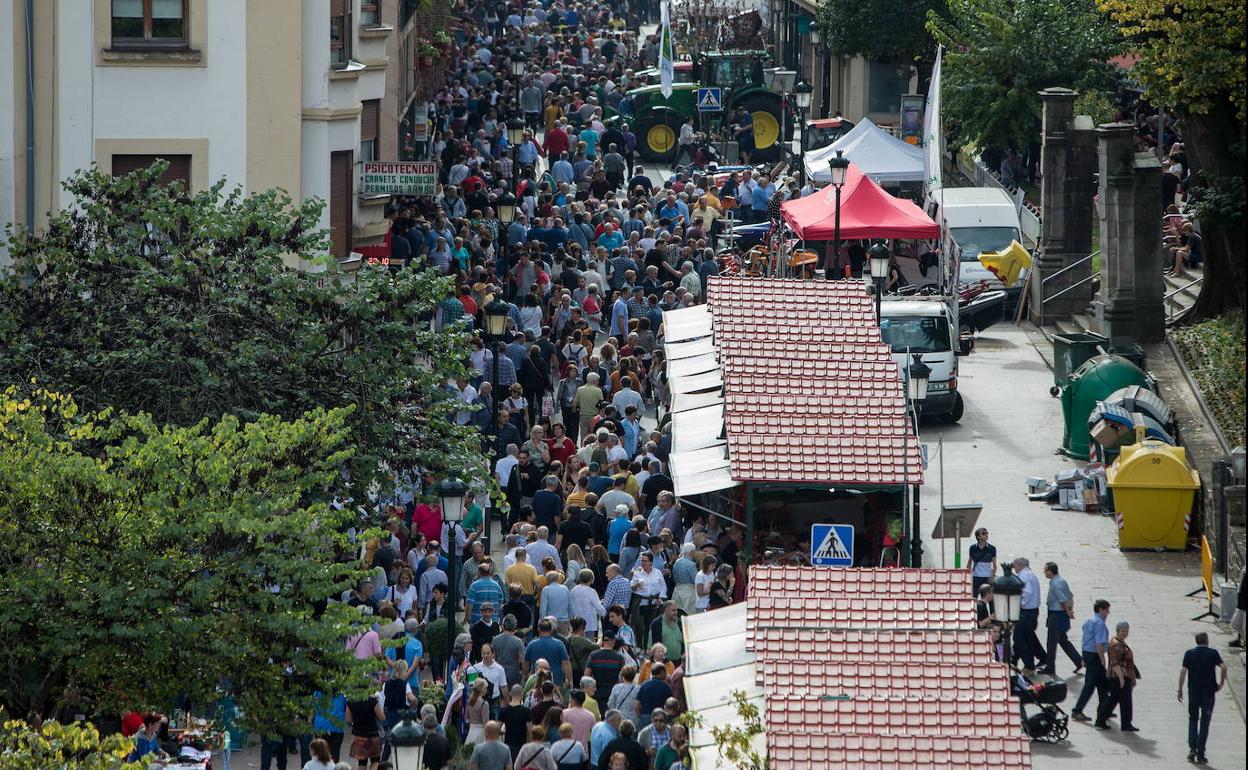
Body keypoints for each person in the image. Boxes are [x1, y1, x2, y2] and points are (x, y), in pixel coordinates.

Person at [1179, 631, 1229, 764]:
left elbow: (1183, 671)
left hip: (1194, 691)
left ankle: (1192, 749)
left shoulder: (1189, 653)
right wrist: (1221, 683)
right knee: (1205, 722)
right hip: (1208, 692)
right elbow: (1223, 667)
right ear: (1206, 641)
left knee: (1193, 719)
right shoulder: (1213, 653)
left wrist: (1180, 689)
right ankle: (1201, 751)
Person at [1094, 621, 1139, 731]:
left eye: (1126, 631)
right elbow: (1114, 663)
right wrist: (1122, 678)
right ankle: (1126, 724)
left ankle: (1101, 720)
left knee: (1113, 700)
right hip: (1118, 677)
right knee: (1125, 701)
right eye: (1123, 631)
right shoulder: (1116, 644)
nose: (1125, 633)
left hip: (1121, 676)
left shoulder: (1120, 642)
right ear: (1118, 631)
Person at [1071, 599, 1111, 721]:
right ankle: (1077, 710)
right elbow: (1098, 644)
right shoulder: (1100, 623)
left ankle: (1105, 708)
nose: (1108, 613)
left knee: (1102, 683)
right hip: (1095, 656)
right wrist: (1103, 660)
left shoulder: (1089, 621)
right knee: (1090, 685)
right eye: (1106, 610)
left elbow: (1086, 639)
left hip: (1088, 653)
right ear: (1101, 609)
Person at [1039, 561, 1080, 676]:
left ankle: (1050, 668)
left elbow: (1062, 600)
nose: (1044, 572)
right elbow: (1070, 596)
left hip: (1056, 616)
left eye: (1045, 570)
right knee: (1063, 640)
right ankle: (1078, 660)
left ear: (1051, 571)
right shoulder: (1061, 581)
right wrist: (1070, 609)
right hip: (1060, 615)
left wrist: (1068, 612)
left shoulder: (1056, 584)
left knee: (1051, 643)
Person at [1012, 558, 1043, 670]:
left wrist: (1019, 604)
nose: (1014, 568)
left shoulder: (1024, 576)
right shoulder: (1029, 574)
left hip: (1027, 612)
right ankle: (1016, 659)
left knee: (1018, 637)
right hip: (1032, 611)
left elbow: (1027, 593)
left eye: (1014, 565)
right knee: (1026, 636)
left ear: (1020, 565)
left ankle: (1029, 663)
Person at [345, 692, 385, 769]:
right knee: (375, 761)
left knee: (362, 762)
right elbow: (381, 717)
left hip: (358, 735)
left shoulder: (351, 701)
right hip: (373, 735)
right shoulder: (373, 701)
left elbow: (348, 720)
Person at [499, 685, 532, 762]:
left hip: (508, 744)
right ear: (522, 694)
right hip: (521, 745)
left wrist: (503, 732)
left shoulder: (503, 710)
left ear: (510, 694)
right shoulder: (526, 711)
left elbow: (496, 728)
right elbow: (530, 732)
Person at [968, 527, 997, 596]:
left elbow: (994, 565)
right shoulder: (973, 548)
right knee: (974, 597)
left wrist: (992, 576)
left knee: (990, 599)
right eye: (983, 533)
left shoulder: (992, 548)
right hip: (976, 577)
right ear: (978, 536)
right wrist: (969, 576)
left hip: (987, 577)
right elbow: (969, 563)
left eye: (987, 533)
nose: (986, 535)